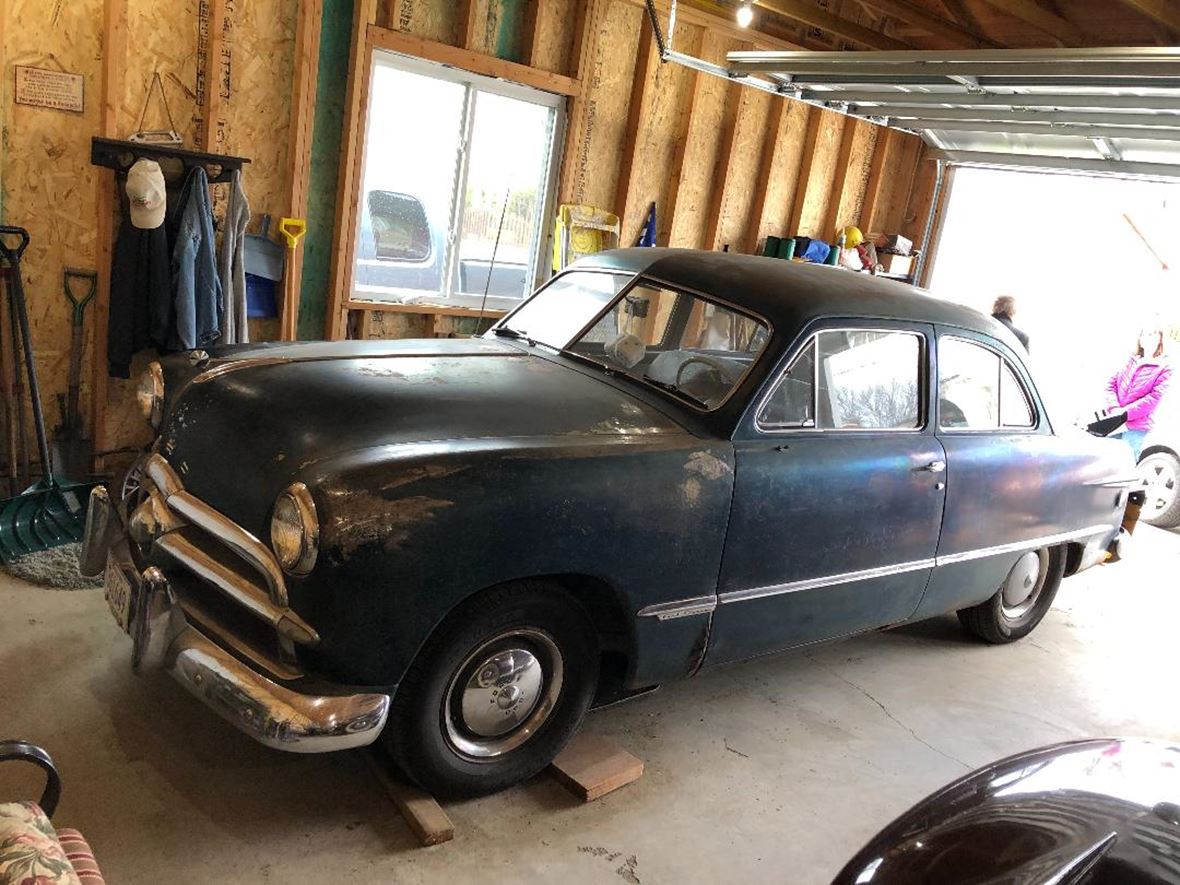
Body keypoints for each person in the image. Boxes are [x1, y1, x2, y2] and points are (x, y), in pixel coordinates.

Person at [1105, 327, 1172, 461]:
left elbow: (1154, 398)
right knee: (1105, 464)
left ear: (1160, 340)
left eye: (1153, 334)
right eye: (1146, 334)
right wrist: (1114, 408)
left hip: (1136, 427)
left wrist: (1125, 413)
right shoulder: (1129, 360)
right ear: (1140, 340)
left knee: (1125, 465)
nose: (1149, 338)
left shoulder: (1164, 367)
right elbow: (1110, 385)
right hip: (1114, 421)